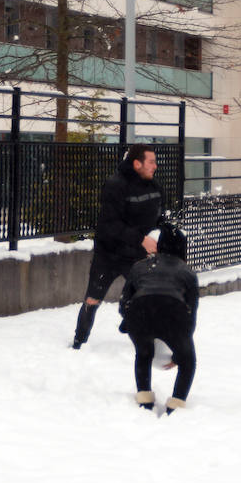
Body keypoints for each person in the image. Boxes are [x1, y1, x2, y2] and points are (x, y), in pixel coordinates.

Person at [71, 144, 164, 349]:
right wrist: (141, 239)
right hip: (108, 254)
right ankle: (79, 342)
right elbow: (109, 225)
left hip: (136, 256)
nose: (155, 166)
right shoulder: (116, 185)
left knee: (149, 296)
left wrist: (160, 236)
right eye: (151, 162)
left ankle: (148, 338)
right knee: (93, 299)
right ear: (137, 163)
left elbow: (159, 219)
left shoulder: (154, 187)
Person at [119, 225, 198, 414]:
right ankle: (175, 405)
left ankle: (144, 400)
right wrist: (180, 352)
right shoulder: (187, 273)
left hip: (139, 313)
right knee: (188, 362)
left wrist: (130, 323)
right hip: (173, 313)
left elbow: (124, 302)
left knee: (144, 353)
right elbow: (191, 314)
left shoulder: (139, 266)